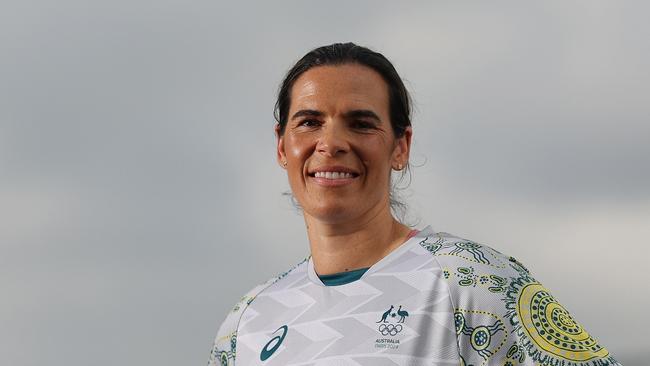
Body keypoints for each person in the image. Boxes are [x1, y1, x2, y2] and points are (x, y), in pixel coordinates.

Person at [207, 43, 621, 366]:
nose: (330, 144)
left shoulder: (473, 283)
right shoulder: (246, 323)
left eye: (361, 123)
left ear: (400, 145)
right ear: (282, 146)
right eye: (310, 122)